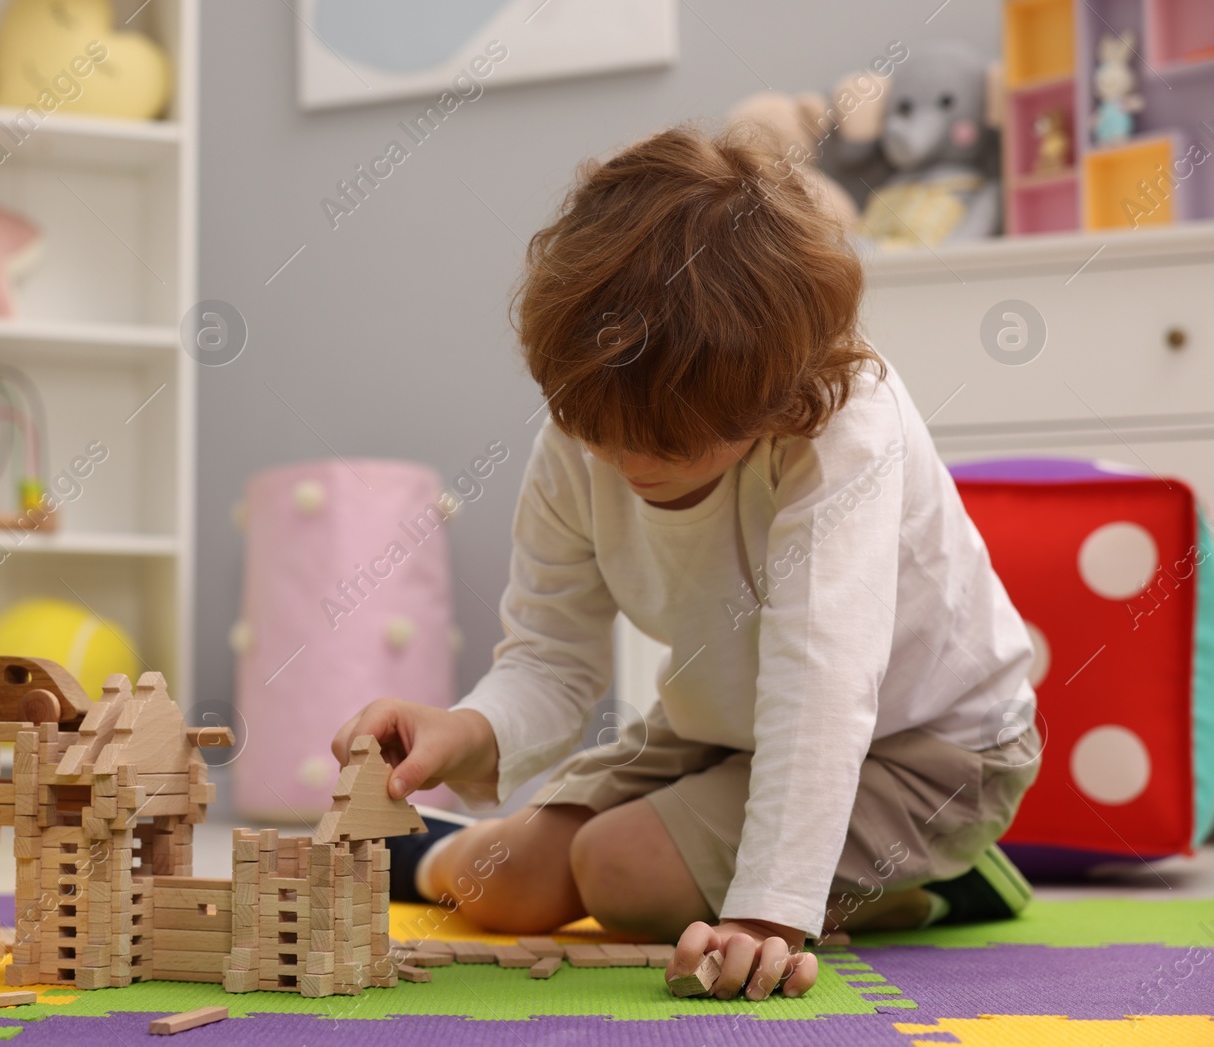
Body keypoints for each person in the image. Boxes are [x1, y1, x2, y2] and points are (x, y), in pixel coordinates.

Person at [331, 125, 1041, 1001]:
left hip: (933, 748)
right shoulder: (589, 422)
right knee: (506, 880)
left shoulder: (844, 428)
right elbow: (551, 660)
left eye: (672, 440)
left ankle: (940, 884)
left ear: (776, 395)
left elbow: (821, 684)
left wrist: (771, 915)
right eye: (603, 434)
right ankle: (430, 848)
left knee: (623, 872)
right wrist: (464, 731)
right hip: (728, 726)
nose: (631, 463)